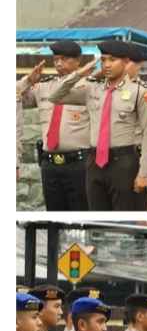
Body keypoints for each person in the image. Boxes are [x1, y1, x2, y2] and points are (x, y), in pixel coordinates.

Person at [47, 41, 147, 211]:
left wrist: (145, 172)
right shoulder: (92, 89)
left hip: (124, 162)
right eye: (104, 60)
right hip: (95, 163)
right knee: (97, 218)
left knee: (126, 217)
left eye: (112, 60)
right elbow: (55, 97)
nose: (107, 64)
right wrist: (79, 74)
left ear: (126, 62)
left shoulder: (141, 92)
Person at [18, 42, 92, 211]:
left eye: (64, 59)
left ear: (77, 61)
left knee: (80, 215)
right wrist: (28, 80)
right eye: (56, 59)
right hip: (50, 164)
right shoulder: (44, 87)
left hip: (79, 164)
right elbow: (14, 98)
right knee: (54, 217)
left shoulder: (89, 86)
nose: (58, 63)